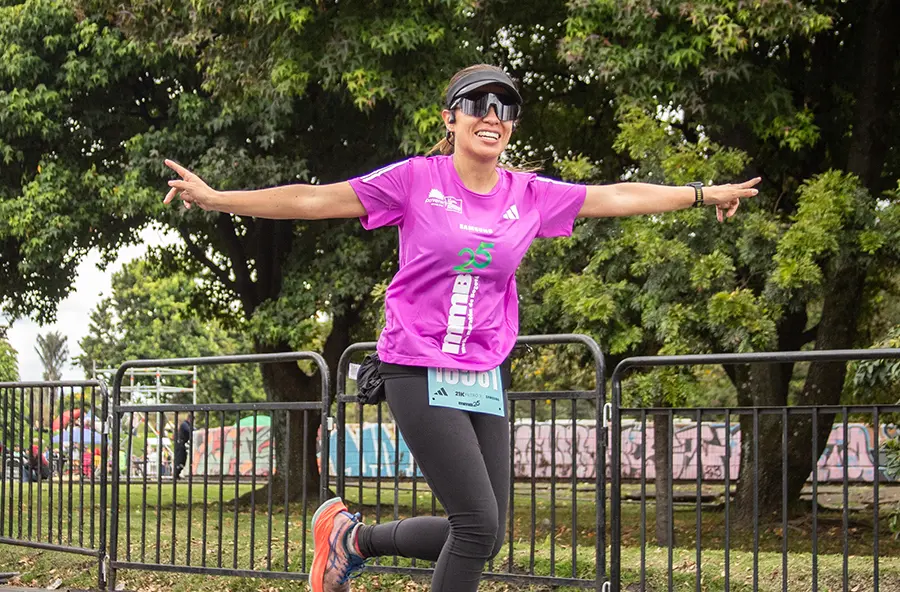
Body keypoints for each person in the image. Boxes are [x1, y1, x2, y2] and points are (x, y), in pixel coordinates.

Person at [162, 64, 759, 592]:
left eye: (505, 108)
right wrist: (218, 199)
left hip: (483, 374)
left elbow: (617, 195)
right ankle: (350, 541)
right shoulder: (416, 181)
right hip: (416, 365)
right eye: (479, 104)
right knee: (475, 524)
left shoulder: (529, 194)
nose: (492, 116)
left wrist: (701, 193)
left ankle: (352, 540)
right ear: (451, 118)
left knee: (485, 528)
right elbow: (315, 200)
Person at [174, 412, 193, 479]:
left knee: (183, 459)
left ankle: (177, 474)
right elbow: (189, 430)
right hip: (180, 444)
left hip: (182, 444)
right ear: (189, 418)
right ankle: (176, 474)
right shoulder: (184, 424)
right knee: (180, 459)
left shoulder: (187, 425)